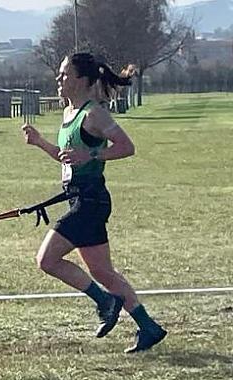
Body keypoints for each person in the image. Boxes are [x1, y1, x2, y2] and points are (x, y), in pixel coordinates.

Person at [21, 52, 167, 353]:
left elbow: (127, 147)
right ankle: (148, 327)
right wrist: (40, 143)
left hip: (90, 201)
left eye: (64, 74)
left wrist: (94, 155)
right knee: (103, 273)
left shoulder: (94, 114)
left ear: (82, 80)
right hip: (79, 198)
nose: (59, 79)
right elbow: (67, 161)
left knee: (46, 260)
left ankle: (105, 302)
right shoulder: (68, 113)